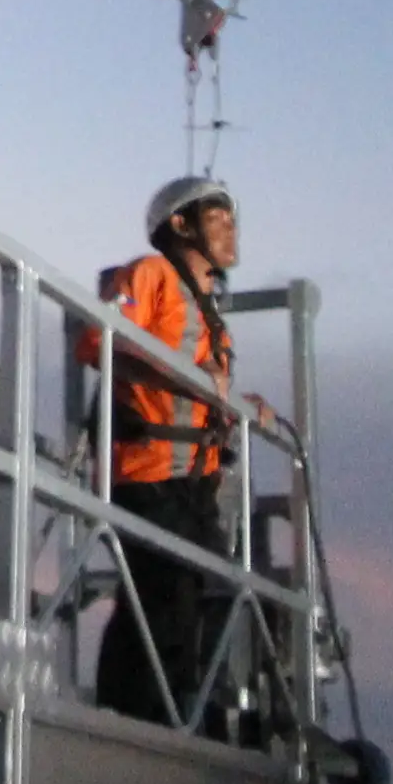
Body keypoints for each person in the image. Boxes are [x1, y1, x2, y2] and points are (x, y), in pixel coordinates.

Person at [94, 177, 266, 732]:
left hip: (198, 483)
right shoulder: (150, 275)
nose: (231, 226)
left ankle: (198, 715)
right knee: (164, 594)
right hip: (147, 473)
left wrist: (241, 402)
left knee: (212, 595)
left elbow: (208, 388)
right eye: (218, 214)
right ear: (180, 224)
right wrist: (192, 382)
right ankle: (147, 721)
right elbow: (104, 341)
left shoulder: (210, 314)